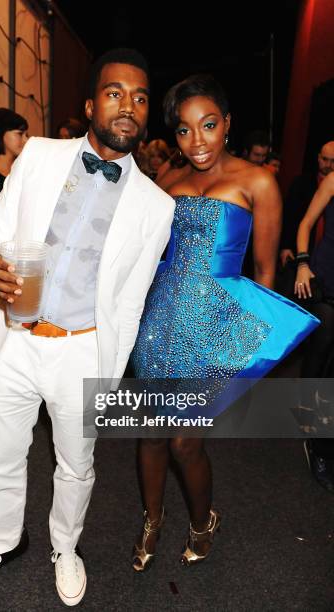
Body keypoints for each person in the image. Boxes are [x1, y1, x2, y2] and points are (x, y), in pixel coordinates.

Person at [0, 48, 174, 606]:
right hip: (16, 340)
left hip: (83, 352)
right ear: (91, 102)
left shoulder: (156, 206)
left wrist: (110, 373)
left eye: (140, 97)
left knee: (77, 465)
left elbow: (130, 299)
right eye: (116, 92)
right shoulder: (41, 156)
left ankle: (65, 547)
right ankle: (0, 542)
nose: (129, 105)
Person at [131, 74, 318, 572]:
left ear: (227, 124)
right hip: (159, 321)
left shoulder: (257, 181)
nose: (198, 141)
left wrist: (248, 354)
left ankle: (201, 521)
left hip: (212, 329)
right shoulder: (165, 183)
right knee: (149, 432)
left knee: (184, 440)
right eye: (185, 130)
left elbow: (263, 276)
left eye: (208, 125)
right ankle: (151, 521)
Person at [294, 172, 334, 492]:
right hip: (326, 277)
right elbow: (306, 223)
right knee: (318, 356)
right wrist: (302, 262)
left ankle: (321, 440)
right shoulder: (333, 179)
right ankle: (313, 436)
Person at [280, 141, 334, 267]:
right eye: (325, 159)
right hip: (301, 250)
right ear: (319, 158)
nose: (329, 165)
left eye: (333, 161)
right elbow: (289, 216)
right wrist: (286, 246)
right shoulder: (302, 183)